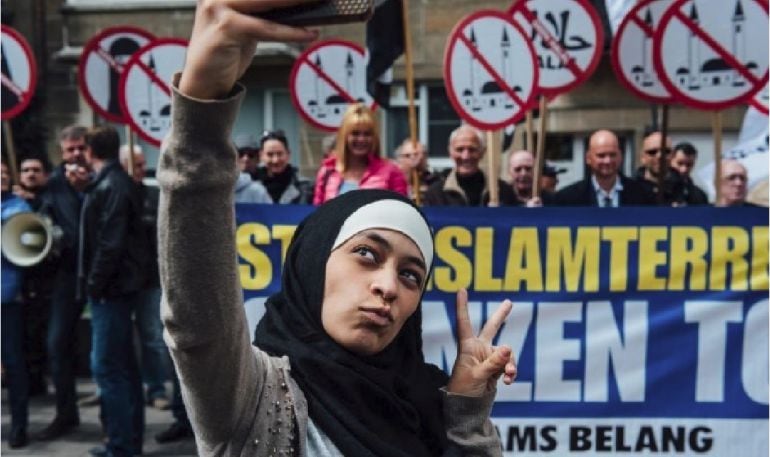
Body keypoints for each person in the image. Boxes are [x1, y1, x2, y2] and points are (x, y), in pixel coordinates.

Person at [158, 2, 517, 455]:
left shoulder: (425, 405)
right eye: (367, 253)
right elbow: (197, 320)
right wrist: (202, 114)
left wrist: (466, 412)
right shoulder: (257, 400)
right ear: (313, 264)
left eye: (410, 275)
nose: (388, 287)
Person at [79, 126, 148, 457]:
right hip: (117, 287)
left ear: (90, 151)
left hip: (111, 291)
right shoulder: (115, 183)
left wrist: (93, 285)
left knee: (107, 367)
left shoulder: (111, 185)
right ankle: (126, 442)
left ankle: (121, 446)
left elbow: (110, 243)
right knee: (122, 367)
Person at [35, 125, 91, 441]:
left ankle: (115, 418)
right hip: (66, 276)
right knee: (57, 344)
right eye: (69, 150)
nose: (75, 155)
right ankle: (66, 412)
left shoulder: (99, 178)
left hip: (100, 275)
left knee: (110, 353)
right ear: (61, 152)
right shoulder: (53, 185)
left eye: (80, 148)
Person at [119, 145, 172, 410]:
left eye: (142, 164)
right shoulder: (115, 195)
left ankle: (156, 387)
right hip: (119, 281)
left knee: (152, 335)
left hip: (149, 279)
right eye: (135, 165)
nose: (141, 170)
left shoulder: (152, 196)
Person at [13, 154, 54, 397]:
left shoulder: (51, 199)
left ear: (44, 175)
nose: (30, 174)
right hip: (22, 280)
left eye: (36, 169)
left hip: (49, 280)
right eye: (25, 170)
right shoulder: (13, 202)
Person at [313, 103, 407, 204]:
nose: (361, 139)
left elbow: (401, 213)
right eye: (355, 133)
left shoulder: (391, 172)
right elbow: (318, 215)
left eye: (367, 134)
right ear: (344, 136)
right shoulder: (328, 171)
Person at [2, 160, 32, 448]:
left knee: (14, 363)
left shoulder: (19, 207)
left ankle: (19, 426)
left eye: (3, 174)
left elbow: (30, 241)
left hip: (8, 295)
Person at [553, 129, 656, 206]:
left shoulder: (643, 195)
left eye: (612, 155)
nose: (608, 161)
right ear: (588, 158)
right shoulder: (566, 198)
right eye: (601, 156)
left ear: (620, 156)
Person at [423, 124, 517, 206]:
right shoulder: (435, 194)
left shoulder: (502, 191)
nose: (466, 156)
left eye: (472, 150)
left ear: (482, 152)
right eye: (460, 150)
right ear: (450, 152)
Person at [253, 129, 313, 204]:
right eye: (270, 154)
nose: (275, 160)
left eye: (279, 154)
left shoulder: (305, 188)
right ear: (261, 156)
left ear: (288, 154)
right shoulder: (250, 187)